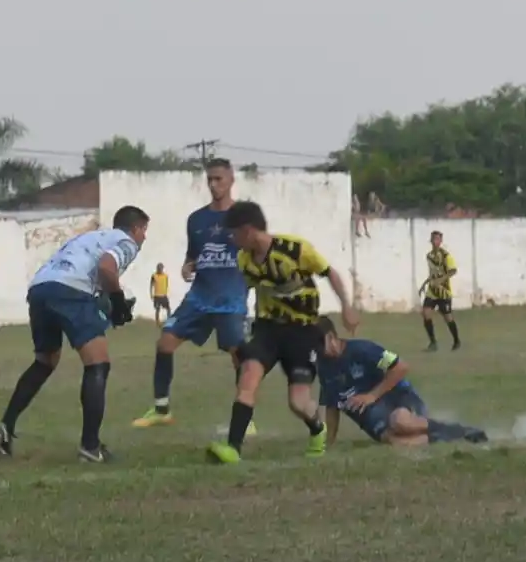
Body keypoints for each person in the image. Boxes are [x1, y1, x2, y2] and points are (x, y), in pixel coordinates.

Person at [0, 205, 149, 463]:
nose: (144, 238)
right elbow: (107, 269)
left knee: (45, 361)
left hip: (40, 288)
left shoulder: (90, 236)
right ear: (137, 228)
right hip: (70, 291)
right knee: (98, 365)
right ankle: (90, 446)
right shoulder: (127, 242)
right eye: (145, 231)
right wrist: (118, 303)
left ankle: (5, 427)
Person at [206, 201, 360, 463]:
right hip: (268, 330)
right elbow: (249, 291)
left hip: (302, 332)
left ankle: (317, 429)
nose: (231, 239)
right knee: (248, 375)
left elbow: (329, 273)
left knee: (298, 402)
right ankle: (233, 448)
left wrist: (347, 306)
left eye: (233, 233)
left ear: (248, 230)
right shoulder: (244, 260)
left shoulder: (295, 249)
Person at [134, 159, 254, 433]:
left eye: (219, 179)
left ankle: (246, 420)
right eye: (209, 179)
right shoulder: (196, 219)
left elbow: (258, 253)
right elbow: (193, 256)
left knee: (239, 355)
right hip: (199, 297)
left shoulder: (244, 217)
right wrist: (187, 266)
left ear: (231, 180)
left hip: (231, 298)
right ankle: (161, 409)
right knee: (164, 343)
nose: (213, 184)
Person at [316, 318, 486, 447]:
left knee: (400, 422)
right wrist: (328, 444)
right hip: (373, 420)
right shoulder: (323, 367)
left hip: (398, 398)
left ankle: (459, 430)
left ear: (331, 337)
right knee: (399, 442)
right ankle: (449, 437)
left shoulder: (363, 350)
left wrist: (371, 396)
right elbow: (332, 405)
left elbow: (401, 367)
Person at [421, 231, 460, 351]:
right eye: (433, 239)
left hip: (444, 292)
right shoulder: (429, 256)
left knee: (448, 318)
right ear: (431, 241)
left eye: (437, 239)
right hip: (432, 291)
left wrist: (441, 280)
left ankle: (456, 340)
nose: (435, 242)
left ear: (441, 241)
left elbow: (453, 270)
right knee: (426, 313)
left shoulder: (446, 256)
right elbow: (432, 273)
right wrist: (424, 284)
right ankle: (433, 342)